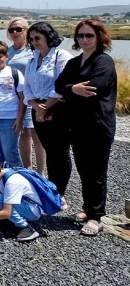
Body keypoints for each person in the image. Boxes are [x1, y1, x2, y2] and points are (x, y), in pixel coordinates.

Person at [55, 18, 117, 236]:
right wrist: (73, 89)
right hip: (77, 125)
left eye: (89, 35)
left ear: (99, 37)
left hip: (99, 125)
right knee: (83, 169)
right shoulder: (75, 62)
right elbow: (59, 85)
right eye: (80, 36)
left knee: (96, 172)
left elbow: (94, 88)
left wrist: (70, 90)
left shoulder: (104, 62)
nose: (84, 40)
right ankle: (88, 208)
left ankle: (96, 217)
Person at [24, 22, 72, 199]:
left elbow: (62, 83)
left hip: (57, 107)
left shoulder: (61, 55)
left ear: (48, 36)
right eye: (31, 39)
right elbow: (26, 85)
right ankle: (52, 188)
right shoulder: (33, 59)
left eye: (38, 38)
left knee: (60, 151)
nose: (34, 42)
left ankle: (60, 192)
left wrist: (46, 107)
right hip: (37, 109)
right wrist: (36, 107)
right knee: (49, 150)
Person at [6, 18, 45, 176]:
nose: (15, 32)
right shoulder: (8, 51)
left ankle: (41, 172)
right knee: (22, 133)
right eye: (12, 30)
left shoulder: (33, 51)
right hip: (14, 98)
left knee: (35, 133)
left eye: (19, 29)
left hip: (32, 96)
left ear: (26, 31)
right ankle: (27, 169)